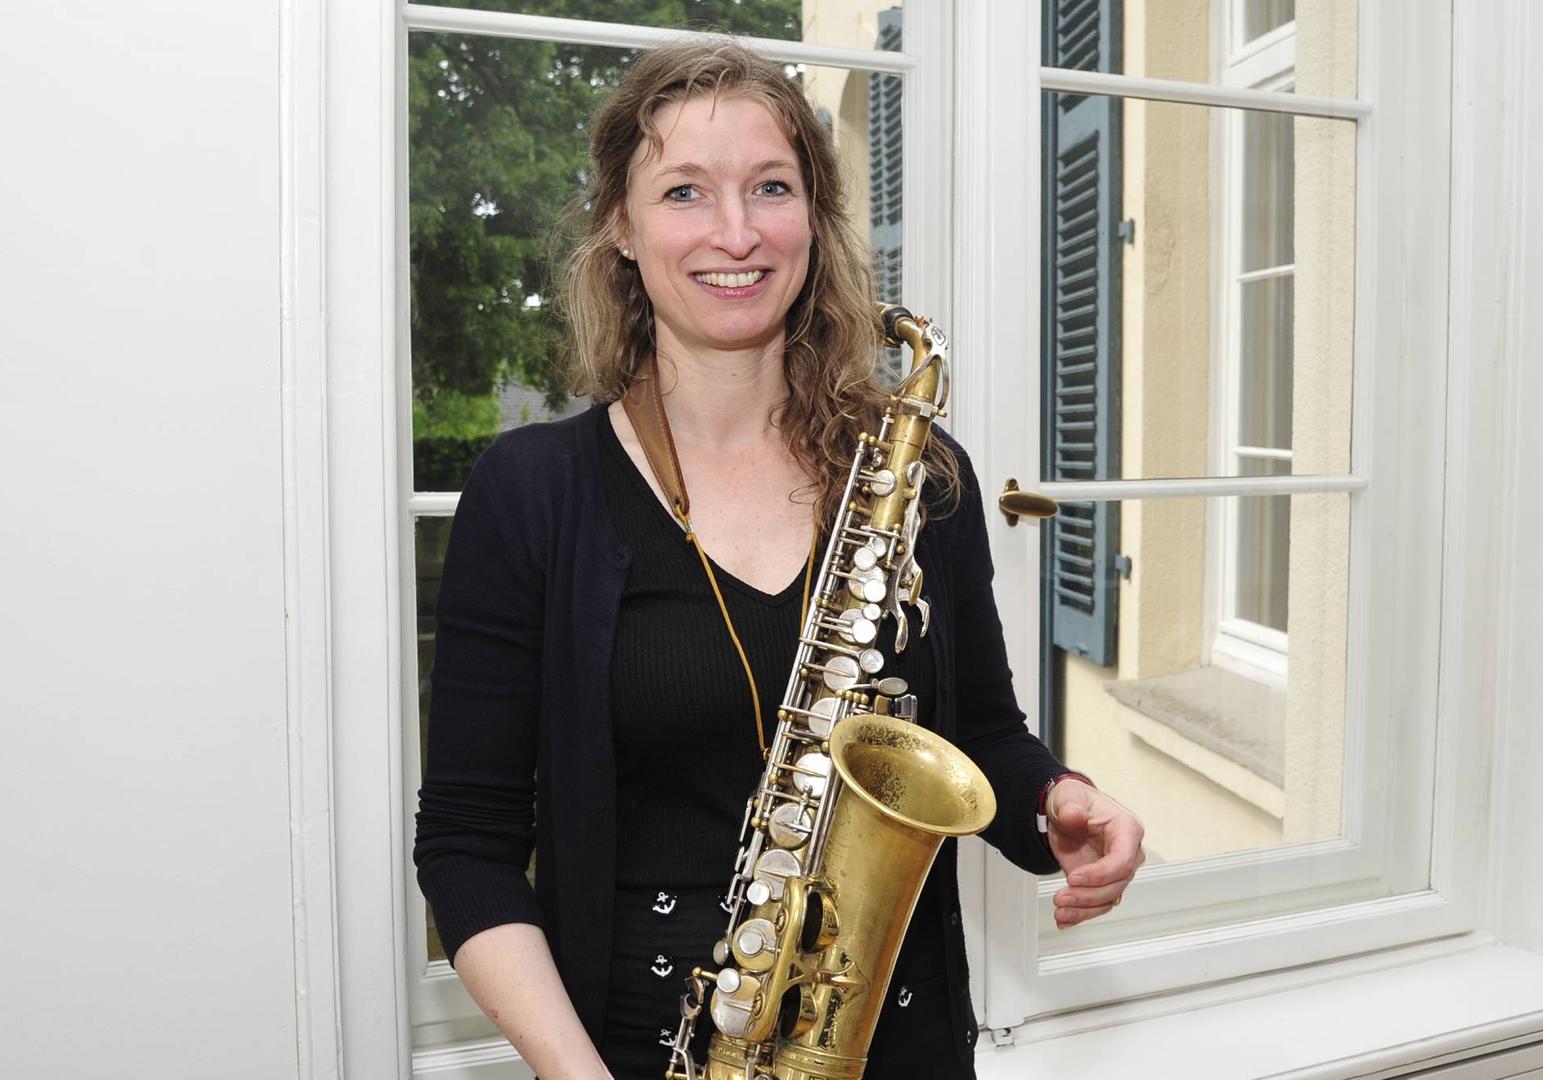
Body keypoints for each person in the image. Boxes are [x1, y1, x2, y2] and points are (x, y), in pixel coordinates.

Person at [413, 39, 1145, 1080]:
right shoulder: (533, 494)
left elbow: (981, 734)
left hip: (899, 1044)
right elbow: (467, 846)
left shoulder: (919, 476)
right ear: (619, 227)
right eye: (683, 192)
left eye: (771, 187)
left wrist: (1055, 808)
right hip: (642, 1054)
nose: (737, 232)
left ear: (815, 215)